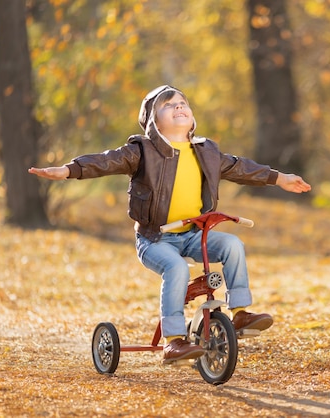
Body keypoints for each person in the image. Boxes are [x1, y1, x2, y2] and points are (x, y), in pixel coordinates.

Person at [29, 85, 311, 364]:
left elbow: (241, 168)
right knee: (175, 268)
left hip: (191, 235)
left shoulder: (206, 152)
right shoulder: (141, 151)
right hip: (154, 239)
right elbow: (105, 161)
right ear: (153, 121)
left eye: (182, 102)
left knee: (233, 245)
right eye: (168, 104)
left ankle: (240, 313)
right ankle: (173, 341)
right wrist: (68, 170)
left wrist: (278, 178)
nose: (178, 106)